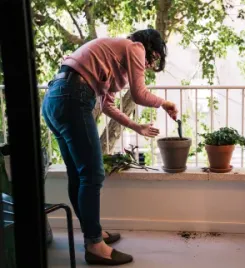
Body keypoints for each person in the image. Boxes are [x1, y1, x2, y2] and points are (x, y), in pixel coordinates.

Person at [41, 29, 178, 265]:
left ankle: (92, 233)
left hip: (55, 100)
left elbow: (106, 106)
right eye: (152, 58)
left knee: (79, 175)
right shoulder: (134, 46)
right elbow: (139, 94)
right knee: (93, 174)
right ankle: (95, 245)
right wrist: (164, 103)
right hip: (73, 96)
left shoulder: (111, 62)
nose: (148, 64)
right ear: (147, 46)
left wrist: (137, 127)